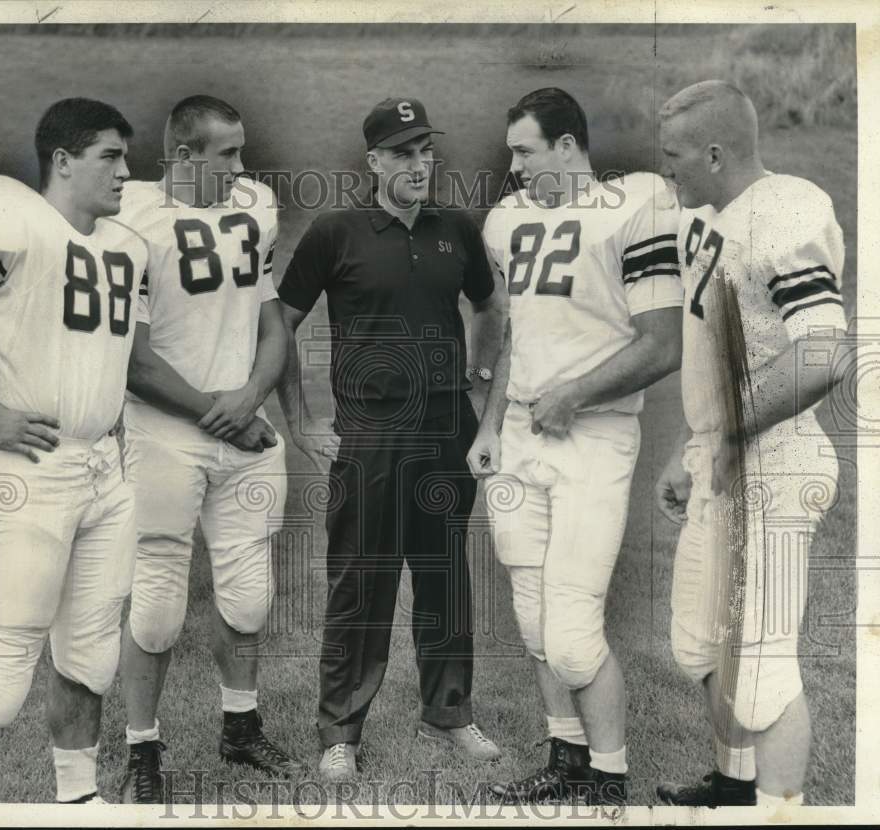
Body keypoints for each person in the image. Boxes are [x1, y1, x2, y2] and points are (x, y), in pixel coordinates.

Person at [0, 98, 148, 804]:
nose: (126, 171)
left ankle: (80, 801)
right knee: (0, 672)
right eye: (110, 155)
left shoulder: (124, 246)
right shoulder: (12, 219)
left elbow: (120, 359)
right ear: (63, 161)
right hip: (34, 472)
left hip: (108, 468)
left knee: (91, 658)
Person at [277, 97, 508, 781]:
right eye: (402, 153)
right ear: (373, 161)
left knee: (443, 575)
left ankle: (449, 714)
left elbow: (490, 306)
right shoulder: (335, 232)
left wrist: (474, 374)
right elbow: (278, 323)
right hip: (370, 432)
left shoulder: (455, 230)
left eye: (425, 151)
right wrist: (299, 418)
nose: (418, 164)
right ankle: (341, 730)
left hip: (446, 427)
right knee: (361, 580)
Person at [469, 87, 684, 806]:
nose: (514, 165)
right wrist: (491, 422)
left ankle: (611, 777)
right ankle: (565, 760)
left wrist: (574, 394)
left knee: (570, 630)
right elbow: (513, 333)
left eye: (525, 150)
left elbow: (663, 344)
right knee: (532, 614)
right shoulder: (507, 219)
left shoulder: (636, 204)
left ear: (568, 145)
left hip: (593, 435)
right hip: (523, 432)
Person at [653, 80, 851, 808]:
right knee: (698, 646)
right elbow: (720, 357)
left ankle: (779, 812)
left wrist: (732, 436)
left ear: (713, 152)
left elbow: (823, 354)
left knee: (764, 668)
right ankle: (735, 788)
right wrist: (692, 444)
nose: (665, 168)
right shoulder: (707, 215)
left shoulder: (784, 211)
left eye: (673, 155)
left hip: (776, 461)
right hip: (726, 454)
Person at [114, 94, 298, 803]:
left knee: (250, 595)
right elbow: (133, 360)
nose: (241, 167)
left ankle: (241, 728)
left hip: (243, 424)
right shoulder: (130, 219)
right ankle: (141, 748)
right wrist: (223, 415)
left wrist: (251, 397)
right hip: (165, 431)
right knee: (157, 603)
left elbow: (271, 319)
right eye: (226, 154)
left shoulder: (255, 205)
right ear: (184, 157)